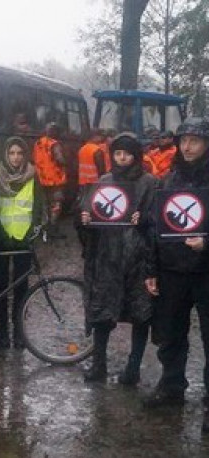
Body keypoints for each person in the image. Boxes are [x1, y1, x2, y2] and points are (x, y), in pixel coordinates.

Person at [143, 117, 209, 416]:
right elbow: (155, 230)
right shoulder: (169, 181)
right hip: (172, 271)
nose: (188, 146)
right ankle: (171, 385)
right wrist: (152, 271)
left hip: (205, 270)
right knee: (170, 332)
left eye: (194, 140)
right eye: (183, 140)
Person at [78, 133, 156, 384]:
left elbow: (158, 220)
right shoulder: (104, 181)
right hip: (107, 258)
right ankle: (98, 365)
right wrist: (85, 220)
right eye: (117, 153)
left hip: (137, 258)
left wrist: (144, 221)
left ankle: (133, 369)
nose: (122, 158)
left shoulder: (149, 183)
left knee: (140, 314)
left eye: (127, 153)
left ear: (136, 155)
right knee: (102, 312)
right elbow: (90, 211)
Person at [0, 137, 45, 349]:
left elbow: (38, 207)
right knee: (1, 284)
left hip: (23, 238)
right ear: (6, 154)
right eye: (12, 153)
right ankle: (3, 331)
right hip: (1, 238)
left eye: (20, 153)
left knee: (21, 286)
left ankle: (18, 331)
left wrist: (33, 230)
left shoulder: (32, 176)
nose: (15, 157)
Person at [32, 122, 67, 238]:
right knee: (56, 205)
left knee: (45, 206)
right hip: (55, 180)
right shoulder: (54, 144)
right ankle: (53, 231)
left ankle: (45, 229)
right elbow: (60, 159)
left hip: (42, 179)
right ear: (54, 131)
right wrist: (66, 163)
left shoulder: (38, 143)